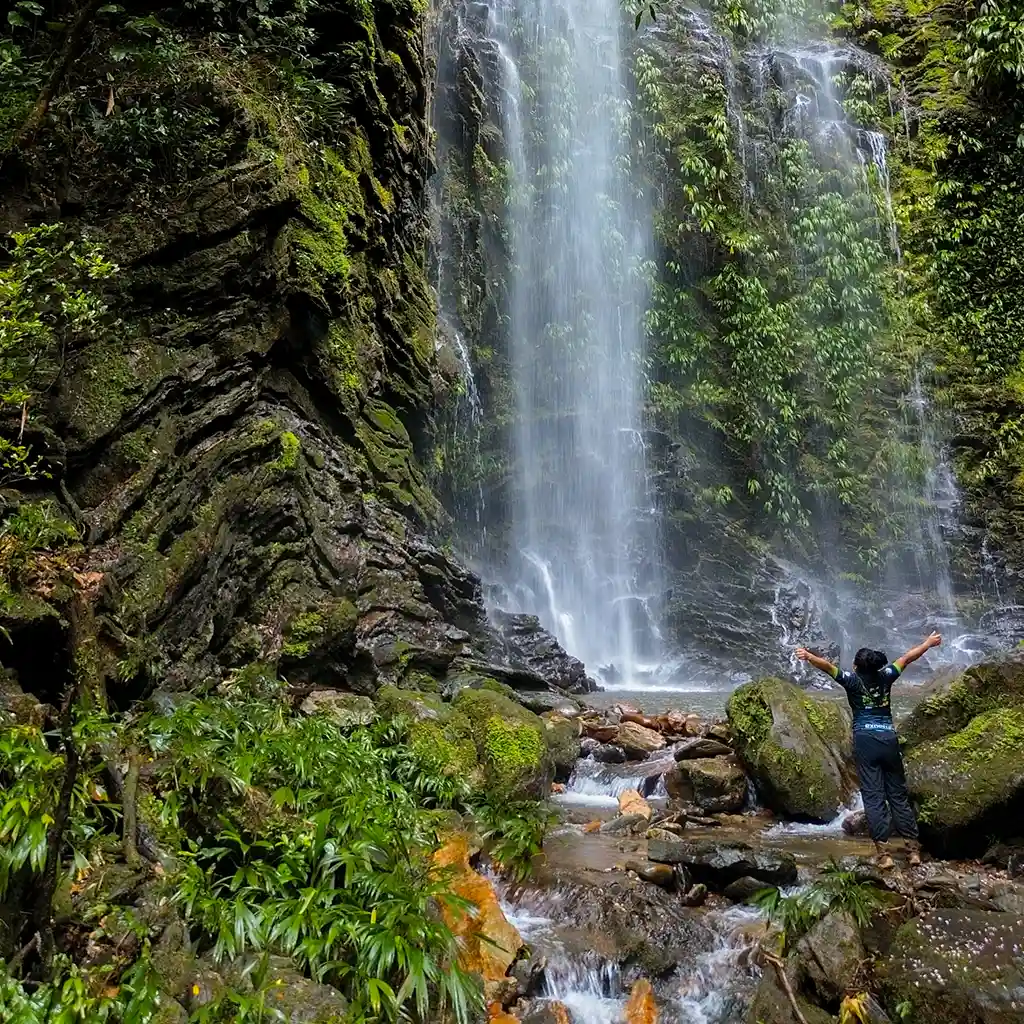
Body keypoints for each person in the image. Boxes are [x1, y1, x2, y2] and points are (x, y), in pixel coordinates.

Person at [795, 631, 942, 870]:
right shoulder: (887, 676)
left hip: (865, 741)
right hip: (888, 739)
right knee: (898, 795)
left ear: (856, 666)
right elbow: (907, 658)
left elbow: (828, 667)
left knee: (873, 797)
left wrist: (809, 656)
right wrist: (928, 643)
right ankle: (913, 851)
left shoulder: (851, 681)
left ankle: (884, 855)